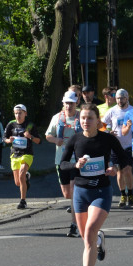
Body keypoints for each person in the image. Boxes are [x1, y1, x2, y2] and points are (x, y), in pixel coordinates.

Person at [61, 106, 132, 266]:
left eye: (90, 118)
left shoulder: (108, 139)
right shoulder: (76, 139)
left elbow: (125, 158)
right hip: (81, 193)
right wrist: (75, 165)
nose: (86, 121)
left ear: (98, 120)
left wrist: (115, 168)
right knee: (87, 239)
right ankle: (99, 240)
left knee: (90, 231)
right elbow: (63, 164)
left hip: (101, 191)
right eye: (83, 118)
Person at [45, 90, 81, 237]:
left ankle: (74, 225)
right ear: (63, 103)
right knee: (67, 194)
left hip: (77, 160)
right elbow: (48, 135)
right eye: (66, 103)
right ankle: (79, 205)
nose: (69, 106)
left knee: (73, 191)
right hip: (62, 160)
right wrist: (56, 140)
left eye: (71, 103)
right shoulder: (57, 117)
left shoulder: (81, 116)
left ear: (76, 103)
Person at [101, 89, 133, 207]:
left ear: (127, 98)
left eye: (122, 98)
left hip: (129, 146)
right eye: (117, 98)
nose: (119, 100)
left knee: (127, 170)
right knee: (119, 172)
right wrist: (107, 132)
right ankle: (123, 195)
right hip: (115, 146)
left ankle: (130, 194)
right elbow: (101, 124)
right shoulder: (112, 111)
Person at [3, 104, 41, 209]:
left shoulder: (29, 125)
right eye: (16, 113)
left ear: (25, 113)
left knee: (21, 174)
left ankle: (22, 201)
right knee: (17, 183)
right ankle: (26, 177)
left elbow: (39, 141)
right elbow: (4, 138)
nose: (18, 115)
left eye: (20, 113)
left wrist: (30, 136)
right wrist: (8, 140)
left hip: (27, 154)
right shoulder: (11, 124)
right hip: (15, 154)